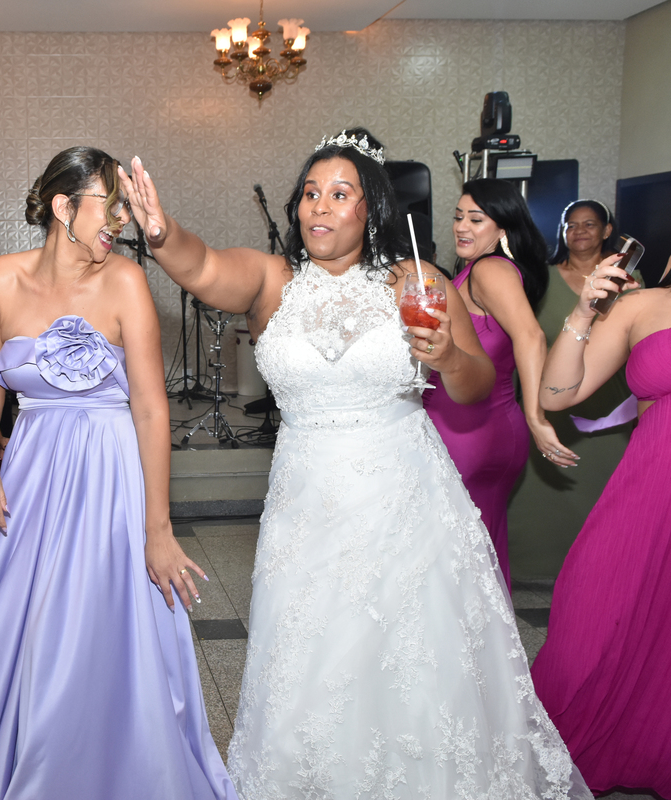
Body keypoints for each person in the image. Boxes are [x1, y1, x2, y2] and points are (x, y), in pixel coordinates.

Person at [122, 129, 592, 797]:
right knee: (313, 657)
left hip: (404, 496)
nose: (320, 205)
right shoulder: (272, 280)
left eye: (340, 194)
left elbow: (477, 384)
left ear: (371, 208)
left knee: (412, 659)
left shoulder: (417, 280)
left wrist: (446, 358)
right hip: (306, 502)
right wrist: (161, 231)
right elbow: (200, 266)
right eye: (310, 193)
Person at [0, 147, 236, 800]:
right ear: (62, 206)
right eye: (112, 206)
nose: (122, 222)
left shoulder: (125, 281)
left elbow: (151, 409)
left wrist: (158, 529)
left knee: (97, 636)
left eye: (124, 208)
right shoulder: (1, 281)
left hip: (109, 478)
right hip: (31, 476)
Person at [531, 167, 671, 797]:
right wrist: (582, 312)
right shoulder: (642, 307)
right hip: (638, 508)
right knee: (587, 634)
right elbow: (556, 393)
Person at [422, 179, 558, 588]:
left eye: (476, 219)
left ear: (503, 228)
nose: (462, 227)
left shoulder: (489, 269)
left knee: (458, 554)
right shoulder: (477, 270)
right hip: (478, 423)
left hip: (471, 430)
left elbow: (531, 337)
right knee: (475, 549)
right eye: (458, 217)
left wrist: (536, 416)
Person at [508, 200, 633, 575]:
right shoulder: (540, 279)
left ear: (607, 231)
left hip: (608, 408)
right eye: (571, 225)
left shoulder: (626, 279)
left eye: (589, 224)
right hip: (548, 402)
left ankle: (599, 569)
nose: (579, 231)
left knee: (604, 497)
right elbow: (524, 340)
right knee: (539, 501)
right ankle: (533, 569)